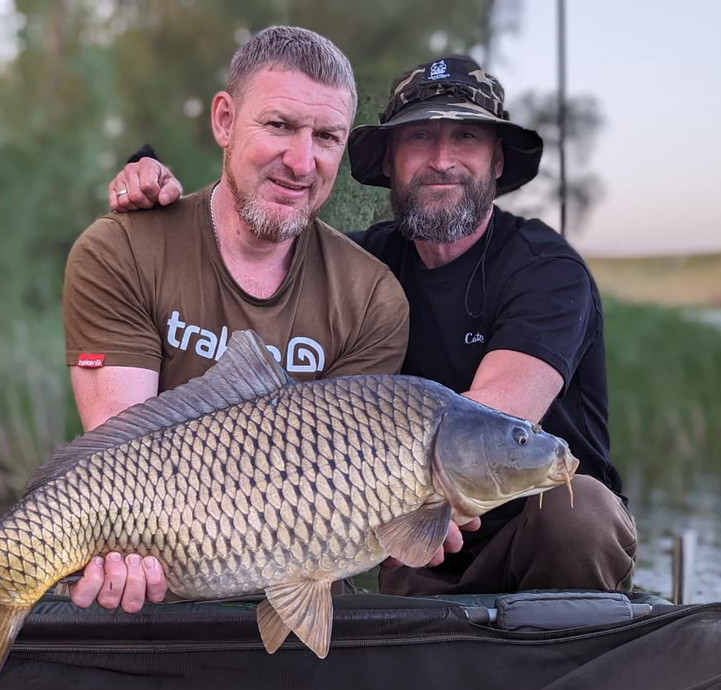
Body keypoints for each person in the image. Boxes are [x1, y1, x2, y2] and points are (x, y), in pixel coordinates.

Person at [105, 53, 637, 599]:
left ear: (497, 162)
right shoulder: (361, 270)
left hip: (539, 542)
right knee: (383, 552)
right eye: (418, 140)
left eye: (466, 139)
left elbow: (494, 425)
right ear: (388, 161)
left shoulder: (546, 270)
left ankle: (570, 670)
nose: (441, 160)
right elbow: (249, 247)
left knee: (581, 513)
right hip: (411, 550)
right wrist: (158, 199)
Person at [62, 26, 417, 612]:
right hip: (154, 581)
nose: (302, 162)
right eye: (278, 126)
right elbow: (118, 470)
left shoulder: (373, 297)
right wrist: (118, 554)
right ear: (225, 120)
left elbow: (342, 499)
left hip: (303, 593)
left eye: (325, 136)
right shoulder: (121, 249)